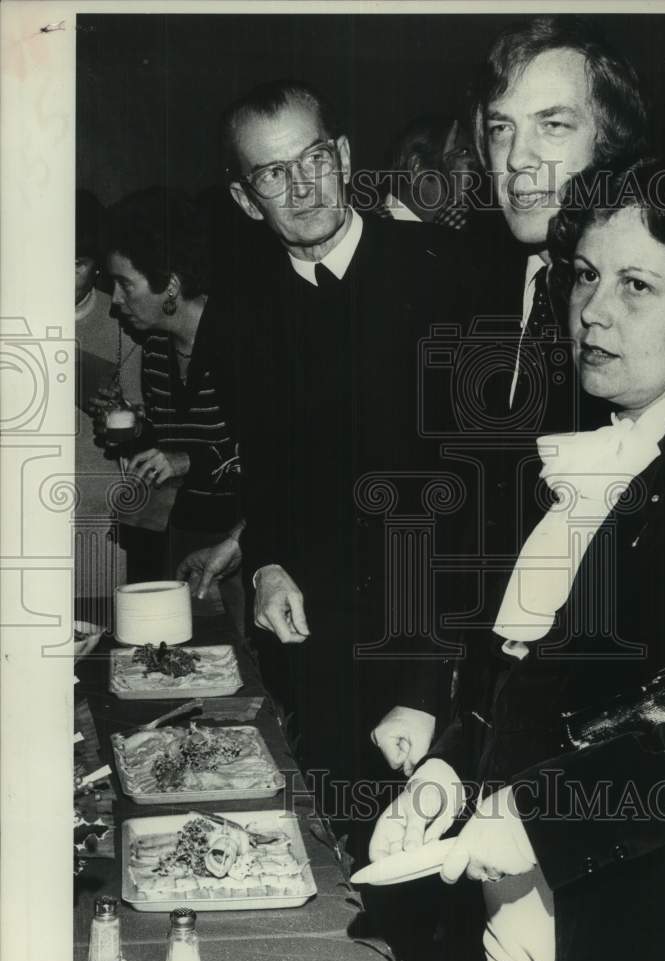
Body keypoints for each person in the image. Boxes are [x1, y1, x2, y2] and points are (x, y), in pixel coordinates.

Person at [369, 151, 665, 961]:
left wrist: (540, 813)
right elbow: (537, 664)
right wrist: (449, 772)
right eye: (584, 277)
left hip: (649, 904)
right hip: (527, 887)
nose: (593, 313)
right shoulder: (600, 443)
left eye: (637, 286)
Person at [371, 12, 648, 778]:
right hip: (474, 716)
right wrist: (426, 690)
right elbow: (452, 501)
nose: (519, 160)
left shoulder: (643, 326)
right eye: (500, 130)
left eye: (553, 125)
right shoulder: (484, 284)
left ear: (611, 145)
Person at [177, 79, 470, 795]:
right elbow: (268, 467)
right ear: (247, 198)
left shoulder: (454, 274)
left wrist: (427, 678)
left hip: (447, 631)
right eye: (274, 173)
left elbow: (487, 494)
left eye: (312, 158)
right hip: (318, 637)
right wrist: (269, 559)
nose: (303, 187)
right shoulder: (238, 318)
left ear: (342, 155)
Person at [98, 188, 244, 631]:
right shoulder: (157, 349)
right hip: (184, 531)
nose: (115, 301)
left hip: (243, 537)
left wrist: (187, 460)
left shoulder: (238, 342)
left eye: (126, 284)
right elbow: (172, 441)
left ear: (171, 285)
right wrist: (137, 429)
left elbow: (276, 454)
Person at [75, 189, 143, 603]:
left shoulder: (122, 318)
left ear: (96, 265)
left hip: (101, 509)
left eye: (75, 266)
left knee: (97, 624)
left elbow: (141, 423)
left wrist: (122, 417)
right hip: (25, 506)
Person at [374, 114, 474, 229]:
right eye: (462, 154)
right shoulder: (374, 231)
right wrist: (457, 201)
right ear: (417, 168)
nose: (470, 175)